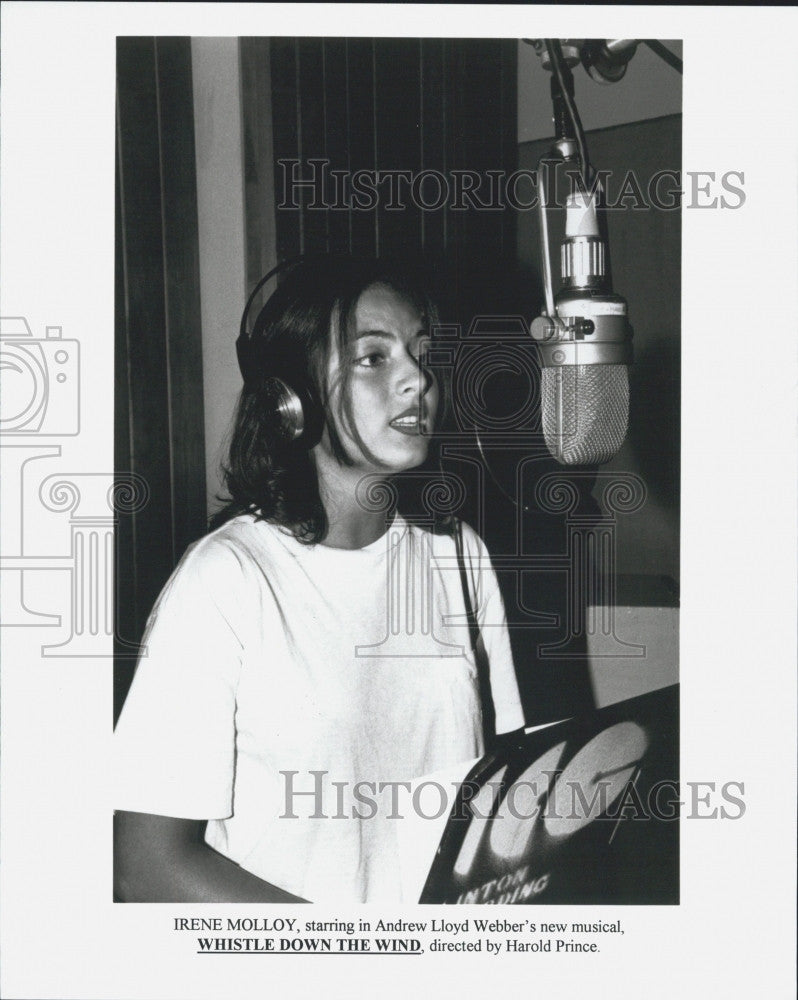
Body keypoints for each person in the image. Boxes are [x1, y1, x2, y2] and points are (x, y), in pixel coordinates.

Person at [113, 256, 524, 904]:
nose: (417, 377)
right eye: (374, 357)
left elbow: (504, 791)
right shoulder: (227, 580)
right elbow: (147, 865)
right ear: (291, 399)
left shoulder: (459, 556)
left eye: (422, 353)